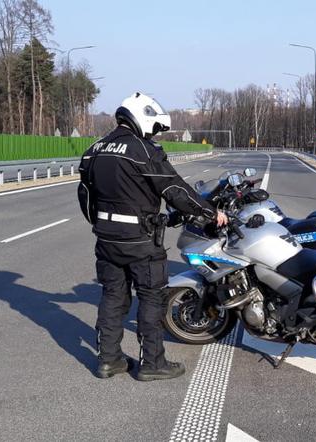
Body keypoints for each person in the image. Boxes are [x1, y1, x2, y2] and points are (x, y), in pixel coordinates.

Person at [77, 92, 227, 381]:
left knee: (112, 297)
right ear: (142, 117)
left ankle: (108, 361)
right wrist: (210, 213)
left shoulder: (95, 149)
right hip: (140, 240)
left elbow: (84, 195)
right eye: (155, 127)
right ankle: (152, 363)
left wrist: (100, 225)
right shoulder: (144, 150)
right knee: (150, 298)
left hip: (107, 239)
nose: (155, 133)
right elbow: (175, 190)